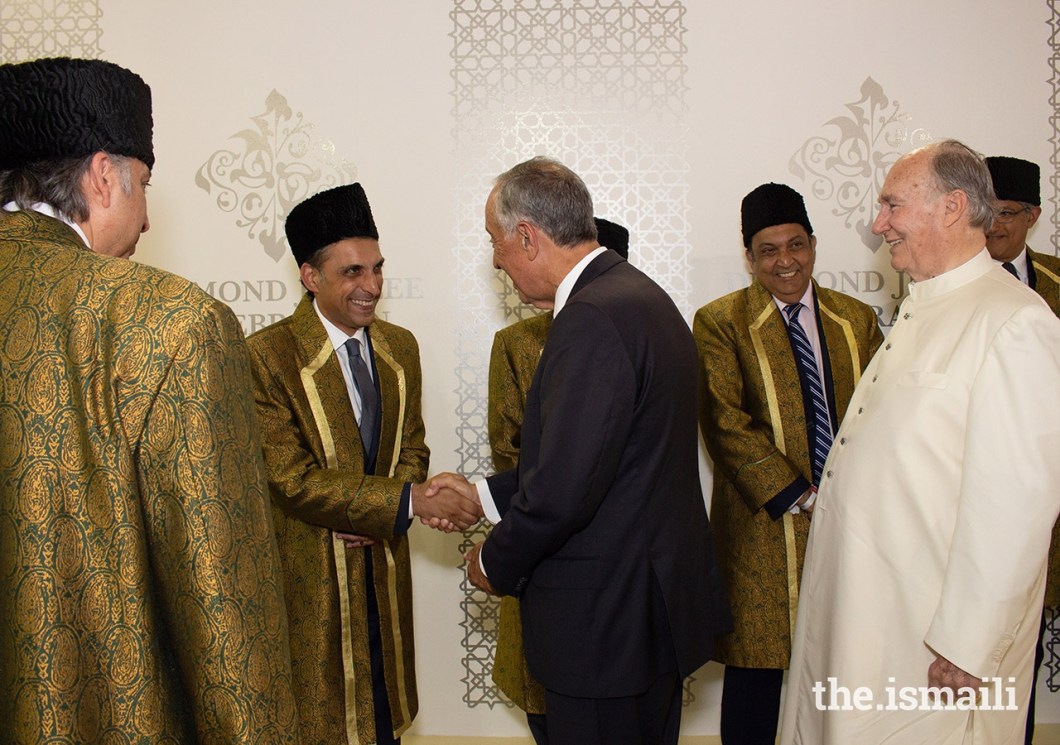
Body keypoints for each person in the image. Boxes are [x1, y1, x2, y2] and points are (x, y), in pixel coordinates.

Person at [0, 57, 299, 741]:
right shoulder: (170, 320)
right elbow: (226, 619)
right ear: (104, 176)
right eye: (146, 188)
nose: (146, 222)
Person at [779, 139, 1060, 744]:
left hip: (933, 647)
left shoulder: (1016, 321)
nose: (878, 224)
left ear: (953, 206)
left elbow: (1017, 505)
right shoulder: (922, 309)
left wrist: (969, 641)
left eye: (892, 205)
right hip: (868, 620)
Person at [459, 156, 731, 745]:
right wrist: (482, 494)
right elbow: (616, 460)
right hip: (642, 613)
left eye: (496, 243)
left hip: (604, 627)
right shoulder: (639, 298)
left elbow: (564, 491)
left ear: (527, 236)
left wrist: (493, 562)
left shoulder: (590, 318)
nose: (497, 261)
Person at [246, 182, 481, 744]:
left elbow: (412, 448)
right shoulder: (265, 356)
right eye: (352, 272)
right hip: (315, 582)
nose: (371, 286)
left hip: (383, 571)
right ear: (310, 276)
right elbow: (288, 478)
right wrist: (401, 503)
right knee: (324, 722)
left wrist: (390, 506)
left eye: (377, 268)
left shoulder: (400, 347)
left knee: (383, 716)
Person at [694, 183, 883, 745]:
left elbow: (880, 413)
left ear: (814, 245)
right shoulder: (721, 321)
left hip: (849, 521)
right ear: (749, 258)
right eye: (769, 250)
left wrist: (850, 494)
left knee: (841, 667)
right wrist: (798, 494)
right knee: (758, 667)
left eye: (796, 245)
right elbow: (724, 421)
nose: (785, 261)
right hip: (762, 524)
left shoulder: (855, 319)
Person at [488, 217, 630, 745]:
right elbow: (510, 451)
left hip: (608, 571)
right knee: (547, 704)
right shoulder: (516, 342)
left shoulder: (615, 327)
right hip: (541, 554)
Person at [985, 155, 1060, 744]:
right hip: (991, 501)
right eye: (986, 212)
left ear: (1033, 215)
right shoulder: (942, 289)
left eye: (1007, 214)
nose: (993, 227)